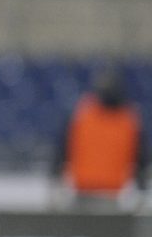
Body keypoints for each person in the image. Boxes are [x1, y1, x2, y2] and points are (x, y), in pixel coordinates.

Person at [53, 65, 147, 200]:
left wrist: (56, 177)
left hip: (91, 188)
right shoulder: (130, 120)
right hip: (104, 190)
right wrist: (141, 185)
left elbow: (62, 150)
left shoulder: (81, 114)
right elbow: (140, 159)